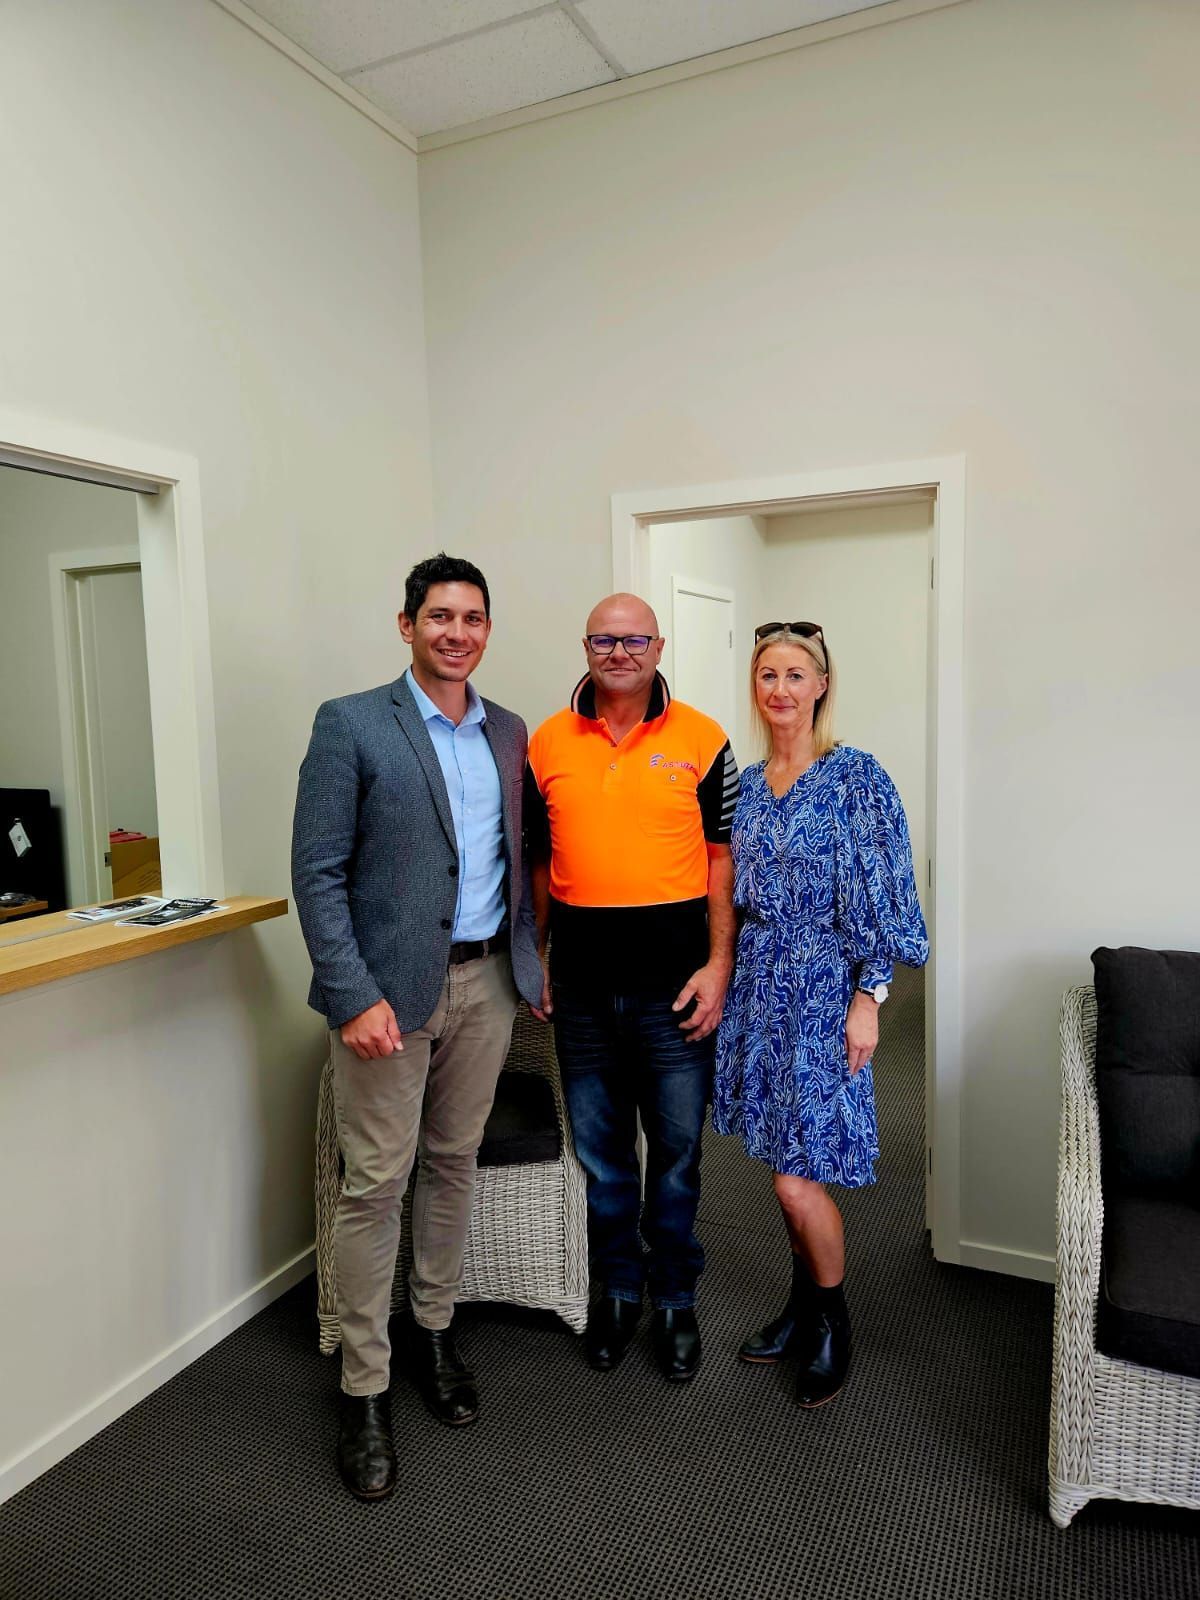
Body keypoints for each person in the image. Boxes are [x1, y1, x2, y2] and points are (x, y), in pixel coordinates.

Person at [291, 553, 542, 1501]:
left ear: (486, 630)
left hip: (487, 987)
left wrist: (530, 965)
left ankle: (434, 1332)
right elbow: (316, 871)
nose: (457, 633)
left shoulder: (509, 732)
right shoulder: (352, 723)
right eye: (439, 616)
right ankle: (364, 1387)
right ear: (407, 626)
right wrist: (352, 995)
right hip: (387, 1001)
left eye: (473, 618)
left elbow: (521, 861)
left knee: (452, 1163)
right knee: (374, 1184)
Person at [712, 622, 928, 1407]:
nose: (780, 688)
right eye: (767, 674)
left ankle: (833, 1321)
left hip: (826, 991)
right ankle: (800, 1308)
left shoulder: (855, 779)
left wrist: (868, 1002)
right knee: (780, 1170)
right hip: (761, 990)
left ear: (822, 685)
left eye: (796, 674)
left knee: (803, 1180)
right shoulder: (744, 782)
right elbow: (728, 894)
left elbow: (888, 899)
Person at [524, 593, 737, 1381]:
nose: (620, 652)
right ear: (586, 647)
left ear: (658, 645)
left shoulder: (704, 739)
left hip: (674, 995)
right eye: (605, 640)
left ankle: (675, 1297)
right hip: (580, 994)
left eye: (634, 638)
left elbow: (722, 860)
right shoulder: (546, 743)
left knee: (676, 1158)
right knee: (606, 1158)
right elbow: (541, 864)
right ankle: (618, 1289)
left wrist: (720, 966)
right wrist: (539, 954)